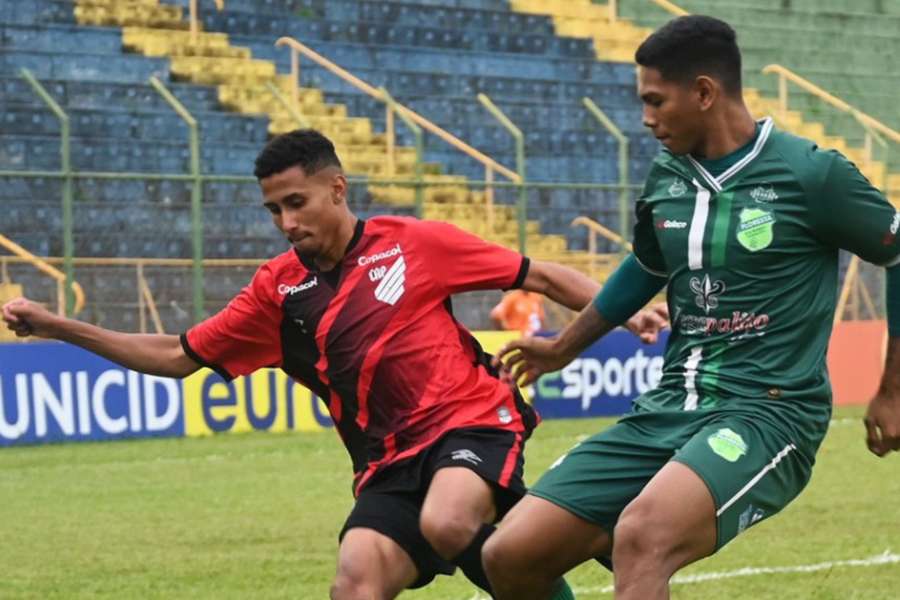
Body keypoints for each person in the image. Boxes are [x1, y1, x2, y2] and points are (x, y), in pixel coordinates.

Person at [2, 129, 668, 599]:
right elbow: (178, 356)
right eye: (273, 210)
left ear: (337, 189)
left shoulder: (414, 244)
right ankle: (565, 533)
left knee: (448, 520)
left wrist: (624, 310)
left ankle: (546, 554)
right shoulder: (276, 291)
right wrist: (60, 326)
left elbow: (540, 274)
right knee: (355, 580)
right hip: (386, 465)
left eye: (297, 203)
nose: (286, 221)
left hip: (472, 421)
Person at [481, 15, 900, 600]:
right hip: (669, 406)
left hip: (768, 412)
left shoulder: (811, 174)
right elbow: (645, 267)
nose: (646, 118)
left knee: (643, 535)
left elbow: (897, 252)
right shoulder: (667, 177)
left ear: (704, 93)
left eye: (656, 101)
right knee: (510, 555)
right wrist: (561, 348)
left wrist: (893, 387)